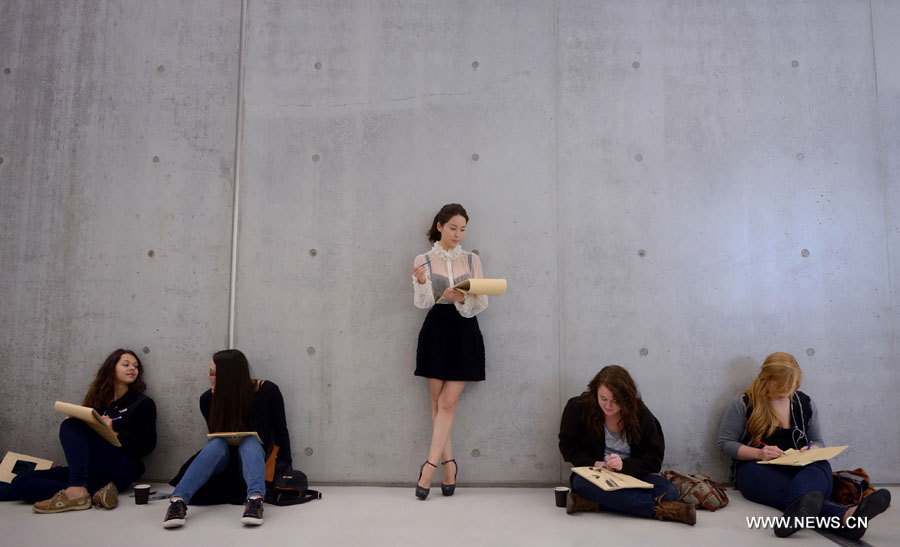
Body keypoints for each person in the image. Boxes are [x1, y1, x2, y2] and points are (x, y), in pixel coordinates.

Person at [717, 352, 891, 539]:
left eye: (790, 387)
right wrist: (759, 453)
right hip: (758, 469)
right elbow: (724, 443)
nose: (785, 391)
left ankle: (798, 513)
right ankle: (846, 517)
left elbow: (818, 440)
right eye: (779, 385)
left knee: (821, 466)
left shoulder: (805, 403)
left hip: (802, 468)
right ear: (766, 378)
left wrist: (812, 450)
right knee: (794, 490)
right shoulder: (743, 403)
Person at [1, 349, 157, 513]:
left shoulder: (141, 403)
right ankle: (92, 494)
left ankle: (77, 489)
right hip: (88, 471)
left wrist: (114, 433)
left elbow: (148, 445)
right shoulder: (98, 402)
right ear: (111, 368)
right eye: (126, 364)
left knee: (70, 426)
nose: (132, 368)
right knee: (20, 482)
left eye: (135, 366)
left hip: (121, 468)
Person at [164, 349, 292, 528]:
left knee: (250, 440)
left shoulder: (267, 391)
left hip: (253, 462)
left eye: (213, 373)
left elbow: (280, 430)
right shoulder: (207, 400)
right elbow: (215, 434)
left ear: (229, 376)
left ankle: (255, 500)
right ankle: (177, 502)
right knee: (217, 442)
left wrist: (286, 466)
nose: (208, 377)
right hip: (225, 467)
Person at [411, 203, 488, 499]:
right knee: (437, 404)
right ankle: (450, 465)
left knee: (447, 404)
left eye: (463, 229)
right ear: (440, 226)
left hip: (465, 330)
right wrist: (421, 282)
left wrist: (460, 298)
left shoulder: (472, 259)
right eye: (453, 228)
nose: (458, 234)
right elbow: (422, 303)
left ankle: (429, 468)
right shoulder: (424, 259)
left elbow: (480, 302)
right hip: (436, 331)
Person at [558, 365, 695, 525]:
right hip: (595, 474)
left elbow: (654, 458)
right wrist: (595, 463)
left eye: (616, 401)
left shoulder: (641, 414)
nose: (608, 405)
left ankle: (593, 503)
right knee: (581, 484)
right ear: (595, 391)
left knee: (669, 492)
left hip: (632, 474)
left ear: (627, 398)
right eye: (603, 398)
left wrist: (624, 465)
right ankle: (663, 510)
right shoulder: (578, 407)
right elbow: (568, 446)